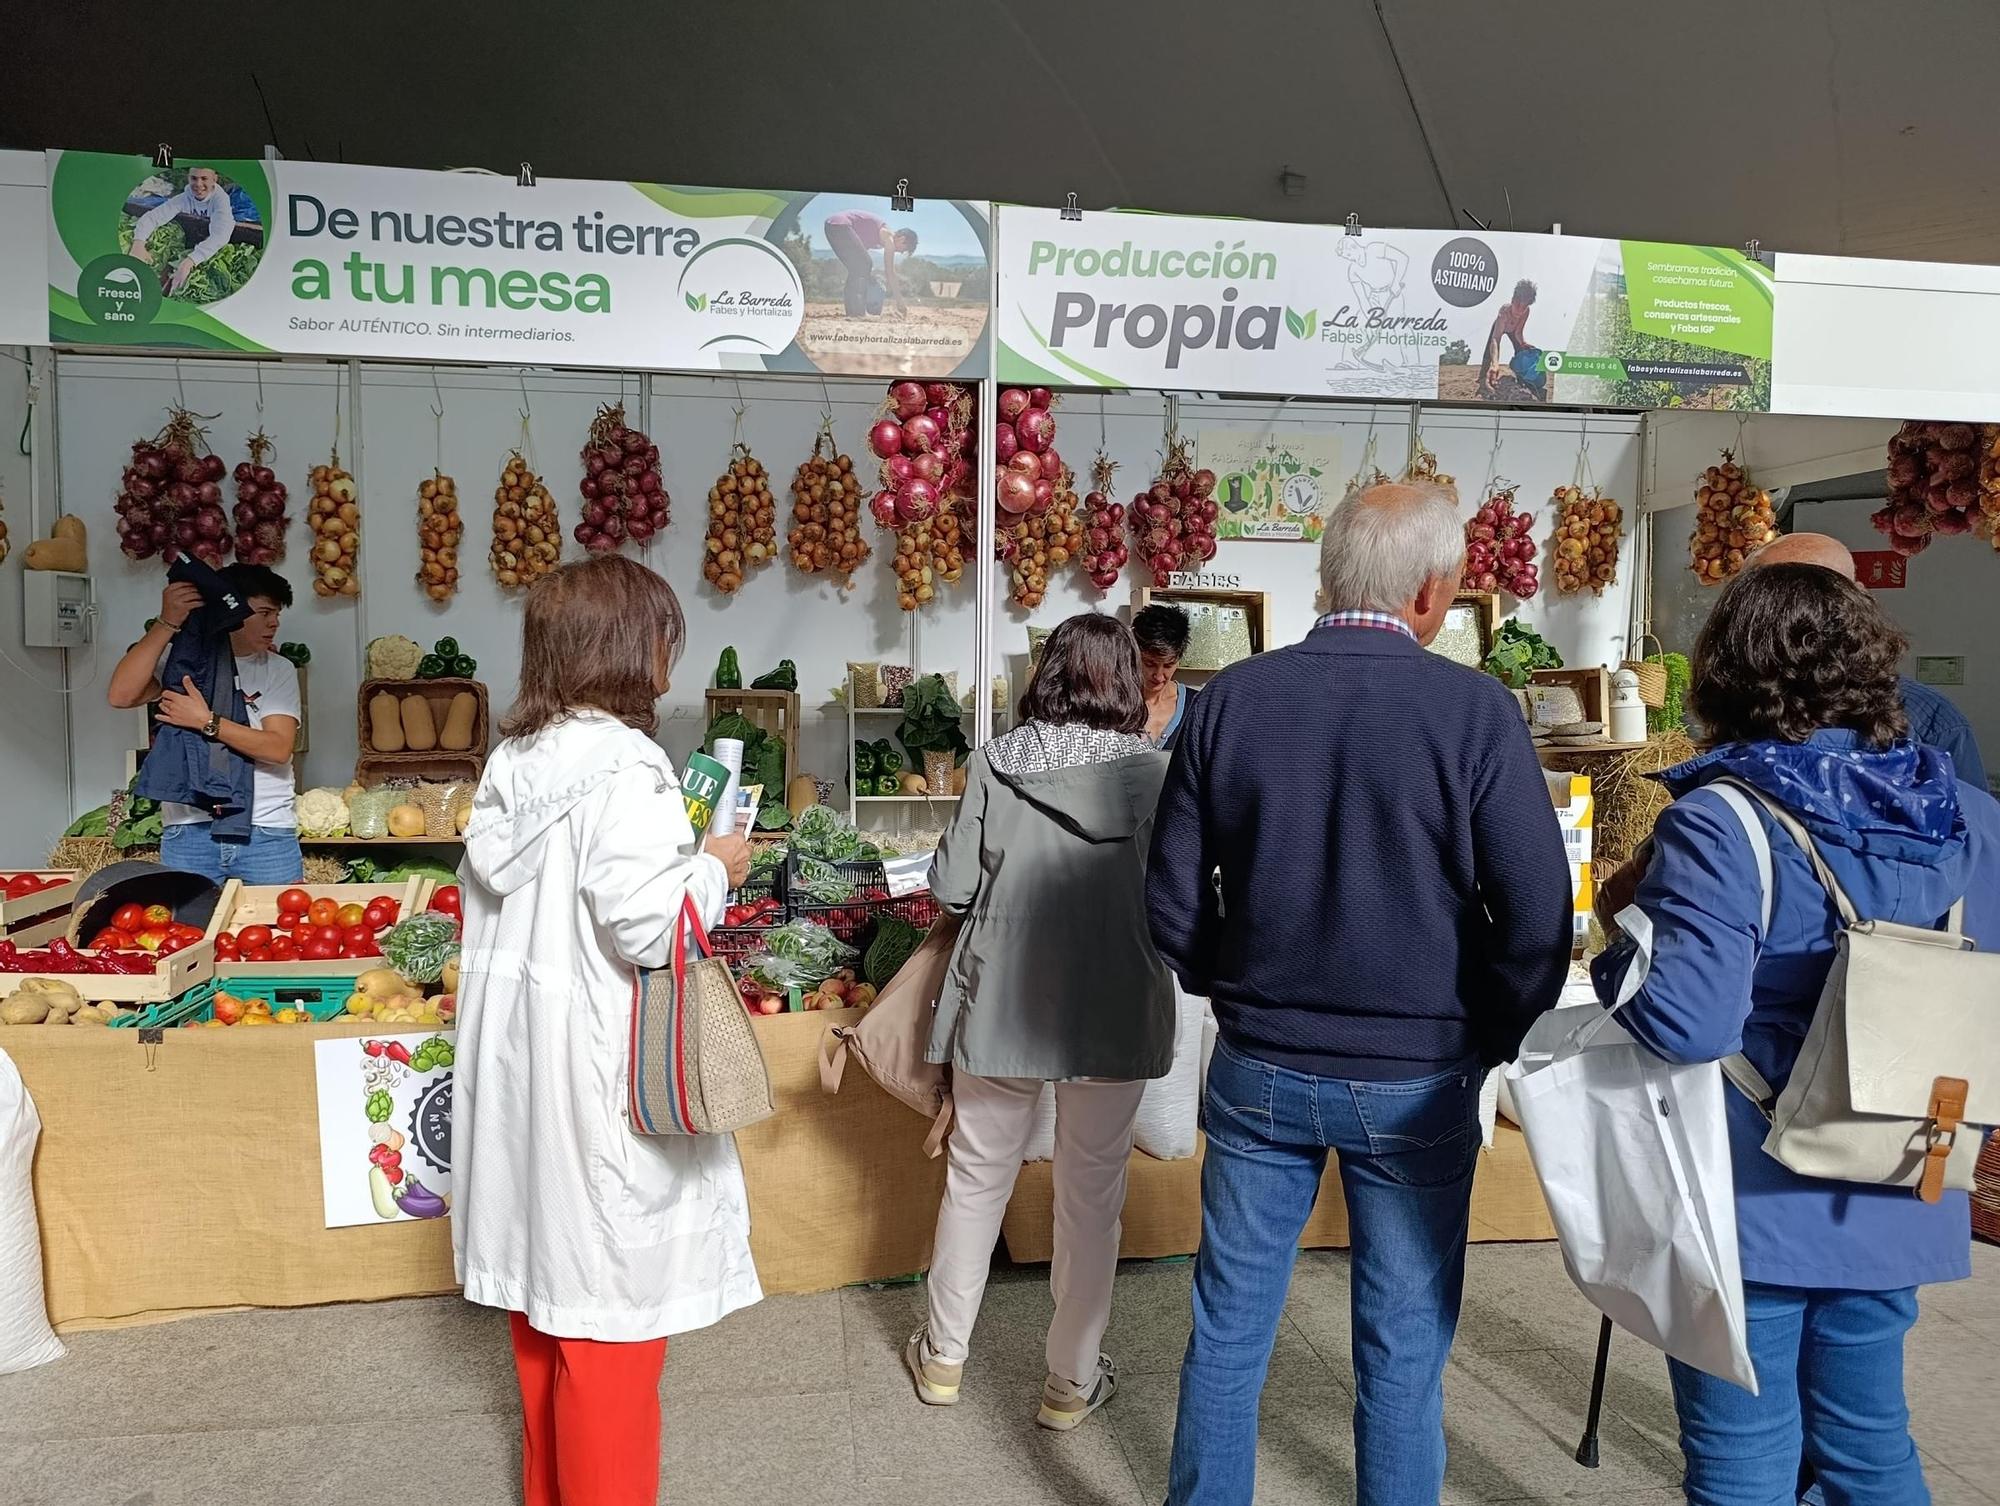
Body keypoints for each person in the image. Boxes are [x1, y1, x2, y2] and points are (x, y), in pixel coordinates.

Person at [1148, 480, 1573, 1506]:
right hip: (1418, 1075)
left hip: (1255, 1065)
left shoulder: (1232, 700)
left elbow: (1164, 895)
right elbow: (1536, 916)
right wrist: (1490, 1028)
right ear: (1430, 592)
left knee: (1227, 1329)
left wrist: (1225, 979)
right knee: (1402, 1340)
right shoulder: (1472, 710)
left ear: (1327, 575)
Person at [1590, 563, 1998, 1506]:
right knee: (1870, 1448)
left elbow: (1689, 1025)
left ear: (1725, 675)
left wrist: (1624, 941)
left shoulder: (1725, 819)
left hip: (1752, 1190)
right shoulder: (1970, 817)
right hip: (1906, 1163)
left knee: (1743, 1464)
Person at [453, 555, 760, 1506]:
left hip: (523, 1084)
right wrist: (715, 867)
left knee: (545, 1322)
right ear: (632, 646)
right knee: (612, 1339)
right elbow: (649, 926)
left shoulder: (515, 764)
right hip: (596, 1084)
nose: (672, 651)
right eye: (665, 631)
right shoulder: (628, 769)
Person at [906, 612, 1174, 1433]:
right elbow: (1186, 894)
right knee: (1093, 1194)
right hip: (1118, 996)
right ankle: (1071, 1382)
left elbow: (951, 888)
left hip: (1003, 996)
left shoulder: (997, 762)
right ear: (1130, 681)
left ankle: (944, 1358)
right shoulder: (1160, 777)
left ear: (1048, 674)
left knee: (977, 1178)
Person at [107, 562, 303, 885]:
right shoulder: (182, 660)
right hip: (188, 830)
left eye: (277, 615)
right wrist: (168, 621)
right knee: (190, 934)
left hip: (265, 830)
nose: (274, 623)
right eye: (265, 613)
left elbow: (278, 748)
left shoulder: (277, 669)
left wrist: (206, 721)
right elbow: (121, 695)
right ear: (232, 610)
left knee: (278, 932)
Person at [1750, 531, 1987, 790]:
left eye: (1815, 597)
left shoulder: (1931, 720)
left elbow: (1966, 823)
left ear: (1857, 601)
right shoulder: (1730, 701)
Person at [129, 166, 236, 296]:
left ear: (214, 179)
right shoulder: (184, 198)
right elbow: (153, 217)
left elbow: (221, 235)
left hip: (206, 246)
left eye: (204, 178)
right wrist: (138, 243)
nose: (198, 184)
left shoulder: (220, 201)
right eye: (194, 178)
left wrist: (189, 262)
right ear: (188, 178)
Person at [823, 208, 918, 318]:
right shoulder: (888, 237)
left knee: (858, 268)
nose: (901, 252)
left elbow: (859, 258)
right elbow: (890, 273)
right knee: (864, 264)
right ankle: (858, 313)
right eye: (904, 249)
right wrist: (900, 302)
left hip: (832, 226)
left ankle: (852, 311)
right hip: (840, 225)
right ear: (901, 239)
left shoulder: (878, 237)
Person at [1133, 602, 1193, 747]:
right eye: (1149, 664)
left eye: (1168, 665)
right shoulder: (1112, 704)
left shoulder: (1195, 706)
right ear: (1133, 654)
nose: (1159, 676)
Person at [1479, 280, 1547, 402]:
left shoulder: (1526, 312)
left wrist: (1522, 343)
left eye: (1524, 306)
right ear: (1512, 300)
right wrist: (1495, 364)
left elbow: (1518, 332)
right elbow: (1496, 339)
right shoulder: (1504, 313)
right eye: (1517, 305)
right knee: (1489, 351)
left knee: (1521, 351)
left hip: (1513, 330)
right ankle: (1483, 377)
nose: (1519, 311)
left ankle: (1523, 378)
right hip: (1499, 328)